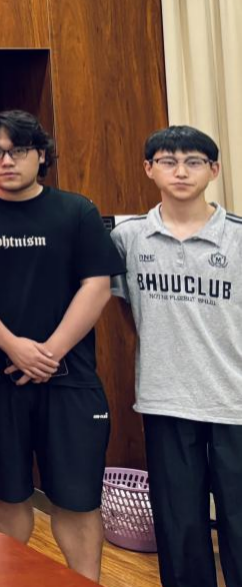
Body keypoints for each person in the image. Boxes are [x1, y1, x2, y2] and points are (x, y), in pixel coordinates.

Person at [0, 110, 124, 581]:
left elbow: (97, 287)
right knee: (7, 492)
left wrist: (50, 352)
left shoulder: (77, 211)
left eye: (18, 150)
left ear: (41, 155)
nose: (6, 161)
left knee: (78, 499)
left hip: (71, 381)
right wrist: (13, 346)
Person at [111, 126, 241, 587]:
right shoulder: (128, 238)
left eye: (193, 161)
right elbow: (127, 310)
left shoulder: (238, 237)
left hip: (234, 402)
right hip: (165, 399)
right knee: (179, 525)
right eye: (168, 161)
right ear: (149, 169)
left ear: (214, 170)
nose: (181, 171)